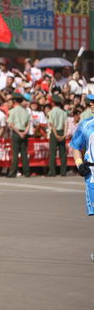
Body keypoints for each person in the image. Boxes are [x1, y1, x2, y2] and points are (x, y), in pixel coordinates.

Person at [69, 95, 94, 262]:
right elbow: (75, 147)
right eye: (91, 102)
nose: (91, 105)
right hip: (93, 174)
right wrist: (79, 164)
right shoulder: (85, 124)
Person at [7, 93, 31, 178]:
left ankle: (13, 172)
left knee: (15, 154)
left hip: (16, 133)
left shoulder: (12, 111)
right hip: (24, 133)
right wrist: (24, 132)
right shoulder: (26, 111)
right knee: (24, 153)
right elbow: (28, 124)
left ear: (14, 101)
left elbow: (11, 124)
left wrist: (19, 133)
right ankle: (27, 172)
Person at [48, 95, 68, 177]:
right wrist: (64, 135)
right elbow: (66, 124)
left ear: (53, 103)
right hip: (62, 131)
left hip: (54, 133)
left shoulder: (51, 112)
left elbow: (52, 125)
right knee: (63, 153)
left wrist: (56, 135)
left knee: (52, 153)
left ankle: (52, 172)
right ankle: (63, 172)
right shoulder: (63, 112)